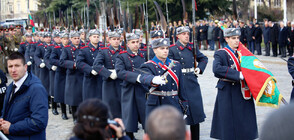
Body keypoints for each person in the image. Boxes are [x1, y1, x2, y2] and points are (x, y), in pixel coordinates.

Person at [210, 28, 258, 140]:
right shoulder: (221, 53)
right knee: (229, 123)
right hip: (228, 91)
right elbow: (217, 69)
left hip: (243, 90)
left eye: (237, 38)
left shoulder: (244, 53)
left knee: (244, 121)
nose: (236, 41)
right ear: (227, 39)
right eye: (233, 38)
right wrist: (238, 75)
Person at [169, 26, 208, 140]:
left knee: (195, 113)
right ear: (178, 36)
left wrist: (199, 69)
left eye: (188, 33)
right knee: (179, 113)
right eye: (184, 34)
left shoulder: (192, 47)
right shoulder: (172, 49)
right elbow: (169, 66)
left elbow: (204, 58)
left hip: (192, 81)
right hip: (179, 82)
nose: (187, 36)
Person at [0, 52, 48, 139]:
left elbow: (39, 122)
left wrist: (12, 128)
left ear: (25, 67)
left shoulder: (36, 89)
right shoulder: (11, 87)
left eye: (17, 66)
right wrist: (2, 120)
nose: (13, 70)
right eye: (10, 66)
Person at [139, 38, 189, 118]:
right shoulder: (148, 65)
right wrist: (153, 79)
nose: (165, 51)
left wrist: (184, 107)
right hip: (157, 105)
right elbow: (144, 77)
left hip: (173, 103)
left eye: (167, 48)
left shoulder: (176, 65)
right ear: (155, 50)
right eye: (162, 48)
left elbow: (181, 88)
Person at [115, 33, 147, 139]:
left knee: (145, 114)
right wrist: (136, 77)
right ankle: (130, 136)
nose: (136, 44)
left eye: (137, 42)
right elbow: (120, 72)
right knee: (130, 115)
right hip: (129, 88)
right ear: (127, 44)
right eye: (133, 42)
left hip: (142, 88)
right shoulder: (122, 56)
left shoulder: (143, 54)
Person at [93, 31, 124, 118]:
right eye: (114, 39)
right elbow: (96, 65)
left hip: (121, 80)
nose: (116, 41)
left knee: (122, 103)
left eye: (118, 39)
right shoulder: (104, 51)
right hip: (109, 82)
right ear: (109, 40)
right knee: (110, 104)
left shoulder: (123, 51)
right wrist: (109, 73)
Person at [60, 31, 84, 123]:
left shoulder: (83, 48)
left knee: (82, 96)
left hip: (82, 74)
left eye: (78, 38)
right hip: (73, 75)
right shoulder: (67, 49)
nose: (77, 40)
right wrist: (73, 64)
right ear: (71, 39)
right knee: (74, 97)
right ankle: (75, 117)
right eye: (75, 38)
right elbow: (62, 61)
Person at [77, 29, 103, 100]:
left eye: (98, 37)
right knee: (90, 99)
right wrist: (90, 69)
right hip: (90, 78)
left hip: (101, 77)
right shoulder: (84, 50)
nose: (96, 38)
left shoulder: (102, 49)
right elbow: (79, 62)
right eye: (94, 37)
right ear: (90, 38)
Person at [50, 32, 69, 120]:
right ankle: (64, 112)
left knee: (70, 93)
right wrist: (62, 63)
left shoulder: (70, 48)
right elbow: (52, 59)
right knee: (61, 94)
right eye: (64, 39)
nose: (66, 40)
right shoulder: (57, 48)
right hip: (61, 72)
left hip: (69, 72)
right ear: (61, 39)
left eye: (67, 38)